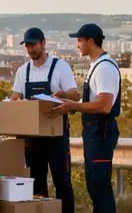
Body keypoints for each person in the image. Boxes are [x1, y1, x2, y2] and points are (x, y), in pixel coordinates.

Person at [51, 23, 120, 213]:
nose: (77, 44)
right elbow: (91, 100)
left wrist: (73, 106)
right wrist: (66, 100)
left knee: (99, 185)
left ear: (90, 41)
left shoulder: (104, 68)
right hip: (94, 132)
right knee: (94, 184)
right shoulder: (96, 66)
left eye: (79, 40)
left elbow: (105, 105)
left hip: (101, 131)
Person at [9, 27, 77, 213]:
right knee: (37, 183)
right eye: (28, 46)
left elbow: (75, 94)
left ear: (43, 43)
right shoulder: (23, 71)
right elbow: (16, 95)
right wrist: (13, 101)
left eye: (34, 45)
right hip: (32, 137)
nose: (31, 50)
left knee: (62, 181)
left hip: (56, 135)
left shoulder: (60, 66)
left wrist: (62, 94)